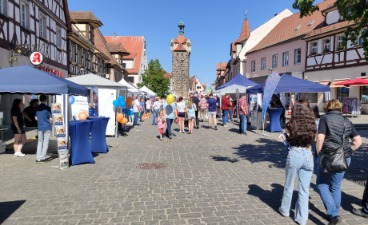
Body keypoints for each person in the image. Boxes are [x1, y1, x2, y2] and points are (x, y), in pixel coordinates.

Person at [316, 99, 362, 225]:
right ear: (339, 108)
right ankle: (334, 214)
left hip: (328, 156)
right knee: (336, 185)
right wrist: (348, 151)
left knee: (321, 184)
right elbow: (358, 141)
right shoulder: (347, 121)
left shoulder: (325, 119)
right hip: (344, 158)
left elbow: (320, 138)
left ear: (327, 107)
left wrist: (318, 153)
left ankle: (333, 214)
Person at [279, 100, 317, 225]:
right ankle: (302, 218)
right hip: (308, 155)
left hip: (295, 153)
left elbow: (288, 141)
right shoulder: (313, 124)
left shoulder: (291, 125)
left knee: (289, 185)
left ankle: (285, 210)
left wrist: (285, 138)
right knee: (304, 189)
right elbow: (315, 139)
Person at [35, 94, 52, 163]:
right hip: (47, 126)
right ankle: (42, 157)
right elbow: (51, 119)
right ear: (46, 100)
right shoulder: (48, 108)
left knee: (40, 141)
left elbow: (36, 118)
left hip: (40, 126)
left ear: (39, 100)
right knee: (46, 142)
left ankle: (38, 157)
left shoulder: (36, 108)